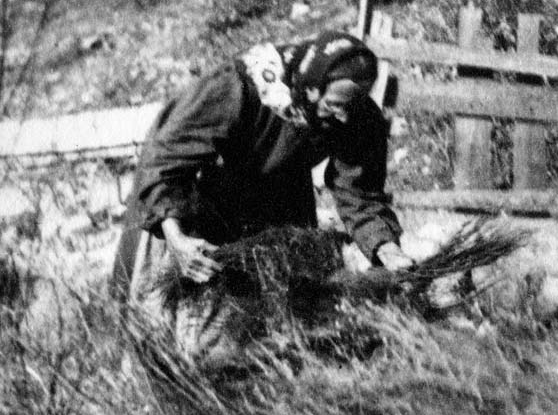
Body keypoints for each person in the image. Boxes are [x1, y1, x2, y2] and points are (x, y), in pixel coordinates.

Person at [111, 30, 412, 312]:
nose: (344, 117)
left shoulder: (355, 114)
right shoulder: (235, 88)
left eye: (353, 106)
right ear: (310, 88)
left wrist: (386, 248)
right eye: (333, 105)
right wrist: (176, 239)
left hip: (278, 193)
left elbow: (361, 193)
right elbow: (166, 161)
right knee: (173, 310)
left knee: (282, 308)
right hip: (193, 197)